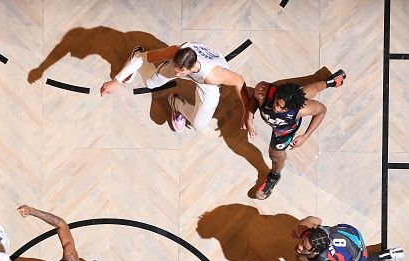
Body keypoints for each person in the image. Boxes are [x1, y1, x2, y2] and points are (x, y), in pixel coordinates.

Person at [100, 42, 252, 134]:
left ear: (190, 68)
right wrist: (115, 81)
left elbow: (239, 81)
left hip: (207, 80)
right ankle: (135, 52)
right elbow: (144, 57)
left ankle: (177, 104)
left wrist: (247, 111)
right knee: (151, 83)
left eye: (181, 71)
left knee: (198, 126)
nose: (177, 73)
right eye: (175, 67)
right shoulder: (175, 52)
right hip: (191, 63)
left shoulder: (213, 76)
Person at [247, 70, 346, 199]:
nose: (277, 108)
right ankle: (330, 81)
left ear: (292, 108)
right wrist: (248, 117)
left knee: (275, 155)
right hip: (282, 101)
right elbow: (255, 97)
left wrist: (306, 136)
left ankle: (274, 177)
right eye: (277, 103)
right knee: (303, 91)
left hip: (284, 130)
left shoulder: (302, 108)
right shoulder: (263, 91)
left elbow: (322, 111)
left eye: (283, 108)